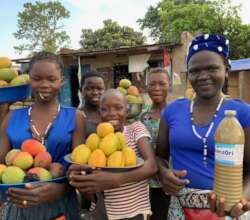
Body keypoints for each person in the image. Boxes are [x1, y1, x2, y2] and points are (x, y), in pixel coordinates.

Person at [156, 34, 250, 220]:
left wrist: (242, 199)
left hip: (228, 210)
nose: (203, 76)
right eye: (195, 71)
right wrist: (163, 173)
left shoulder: (243, 113)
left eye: (212, 68)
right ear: (188, 74)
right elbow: (160, 156)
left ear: (226, 70)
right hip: (180, 210)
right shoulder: (172, 111)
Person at [0, 51, 85, 220]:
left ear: (62, 81)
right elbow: (1, 165)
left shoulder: (75, 117)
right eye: (37, 78)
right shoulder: (11, 118)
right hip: (20, 205)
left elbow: (79, 167)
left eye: (51, 79)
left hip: (61, 205)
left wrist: (62, 188)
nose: (44, 84)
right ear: (29, 79)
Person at [69, 89, 157, 220]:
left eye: (118, 108)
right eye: (105, 109)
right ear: (99, 113)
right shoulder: (96, 138)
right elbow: (89, 170)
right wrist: (81, 180)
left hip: (132, 212)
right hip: (101, 211)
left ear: (127, 111)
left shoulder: (135, 129)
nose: (112, 114)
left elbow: (152, 166)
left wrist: (116, 180)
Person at [140, 68, 170, 220]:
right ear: (147, 88)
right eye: (152, 84)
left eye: (162, 84)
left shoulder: (175, 113)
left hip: (168, 178)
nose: (156, 88)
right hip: (147, 179)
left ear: (169, 85)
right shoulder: (142, 115)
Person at [79, 70, 105, 138]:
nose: (95, 92)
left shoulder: (110, 113)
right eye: (89, 89)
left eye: (99, 89)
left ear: (105, 90)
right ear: (81, 91)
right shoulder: (77, 116)